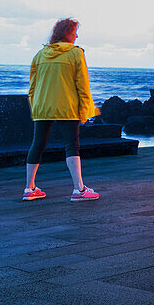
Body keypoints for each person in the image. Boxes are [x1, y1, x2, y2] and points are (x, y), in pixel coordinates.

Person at [22, 18, 100, 202]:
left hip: (42, 105)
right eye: (74, 32)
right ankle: (79, 189)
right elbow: (82, 84)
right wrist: (85, 110)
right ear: (67, 34)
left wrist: (35, 106)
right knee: (71, 146)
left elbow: (32, 86)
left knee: (37, 144)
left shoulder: (40, 54)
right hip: (66, 106)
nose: (77, 36)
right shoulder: (75, 53)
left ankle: (29, 188)